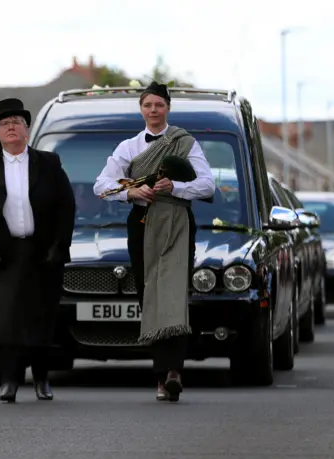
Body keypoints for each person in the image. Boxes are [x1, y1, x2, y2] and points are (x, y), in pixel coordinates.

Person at [93, 82, 215, 402]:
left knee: (173, 294)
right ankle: (162, 375)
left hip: (176, 222)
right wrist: (130, 192)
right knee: (150, 295)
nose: (153, 111)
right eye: (148, 105)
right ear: (141, 109)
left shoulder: (185, 142)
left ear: (168, 108)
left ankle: (173, 371)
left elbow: (206, 185)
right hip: (142, 224)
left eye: (159, 105)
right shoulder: (129, 147)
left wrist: (174, 187)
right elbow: (102, 186)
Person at [0, 97, 76, 402]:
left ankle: (42, 379)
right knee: (5, 320)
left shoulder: (48, 163)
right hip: (3, 254)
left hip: (42, 252)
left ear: (27, 129)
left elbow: (66, 206)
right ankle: (10, 379)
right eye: (4, 123)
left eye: (17, 122)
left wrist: (59, 244)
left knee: (40, 316)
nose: (11, 127)